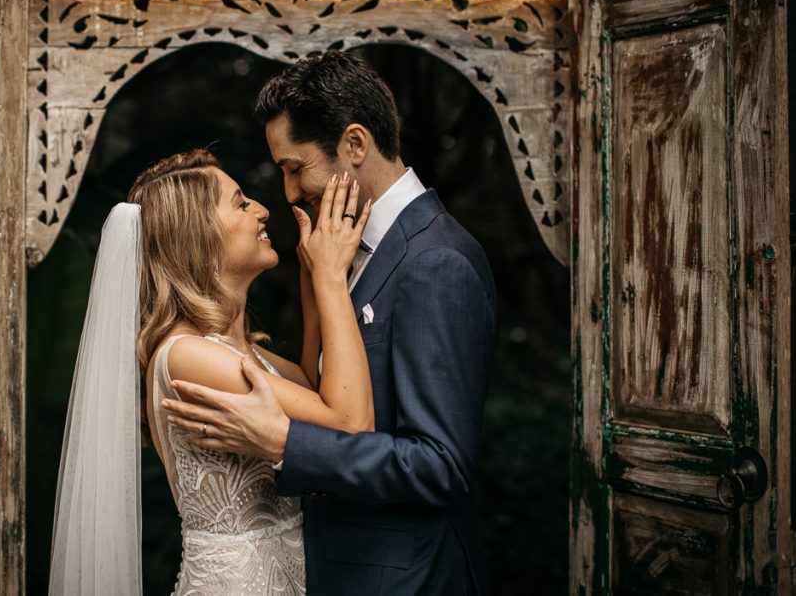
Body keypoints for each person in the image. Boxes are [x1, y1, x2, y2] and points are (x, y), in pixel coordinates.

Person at [162, 51, 496, 595]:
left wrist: (283, 441)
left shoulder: (436, 261)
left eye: (297, 168)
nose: (290, 192)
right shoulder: (339, 255)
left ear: (355, 145)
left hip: (404, 579)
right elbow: (328, 394)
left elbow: (440, 466)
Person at [48, 148, 375, 595]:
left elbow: (314, 388)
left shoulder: (238, 353)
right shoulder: (187, 356)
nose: (262, 210)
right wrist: (332, 279)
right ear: (198, 236)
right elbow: (351, 427)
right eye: (241, 203)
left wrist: (311, 272)